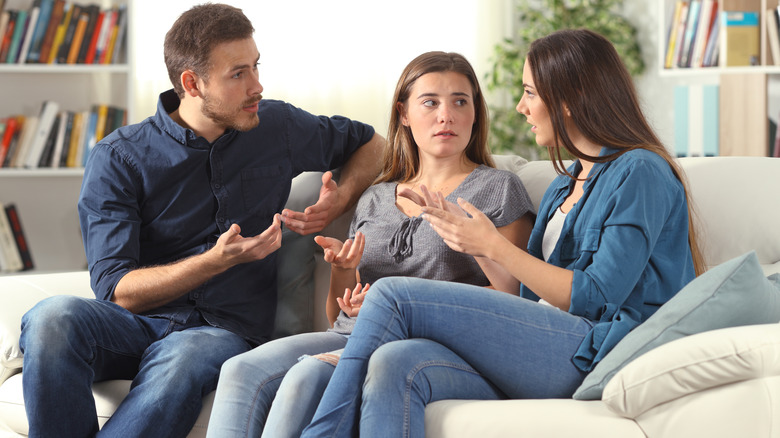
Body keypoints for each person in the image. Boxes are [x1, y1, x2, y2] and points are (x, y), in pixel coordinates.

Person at [300, 29, 706, 438]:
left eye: (530, 93)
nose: (520, 107)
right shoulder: (566, 184)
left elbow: (598, 297)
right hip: (542, 341)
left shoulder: (640, 171)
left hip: (596, 348)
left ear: (568, 98)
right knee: (394, 362)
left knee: (392, 294)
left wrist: (492, 244)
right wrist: (470, 242)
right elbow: (527, 295)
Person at [18, 4, 385, 437]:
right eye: (238, 74)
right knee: (50, 317)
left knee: (184, 356)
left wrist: (340, 199)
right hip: (136, 325)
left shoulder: (277, 127)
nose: (257, 86)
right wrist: (216, 260)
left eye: (256, 67)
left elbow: (373, 143)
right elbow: (117, 291)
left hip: (222, 330)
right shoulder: (119, 158)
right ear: (192, 83)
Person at [205, 51, 535, 438]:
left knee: (308, 374)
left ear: (475, 113)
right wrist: (343, 272)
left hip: (425, 344)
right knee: (240, 369)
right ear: (404, 114)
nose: (446, 115)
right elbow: (338, 315)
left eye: (460, 101)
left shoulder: (498, 188)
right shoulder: (376, 197)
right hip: (351, 333)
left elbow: (513, 303)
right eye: (430, 102)